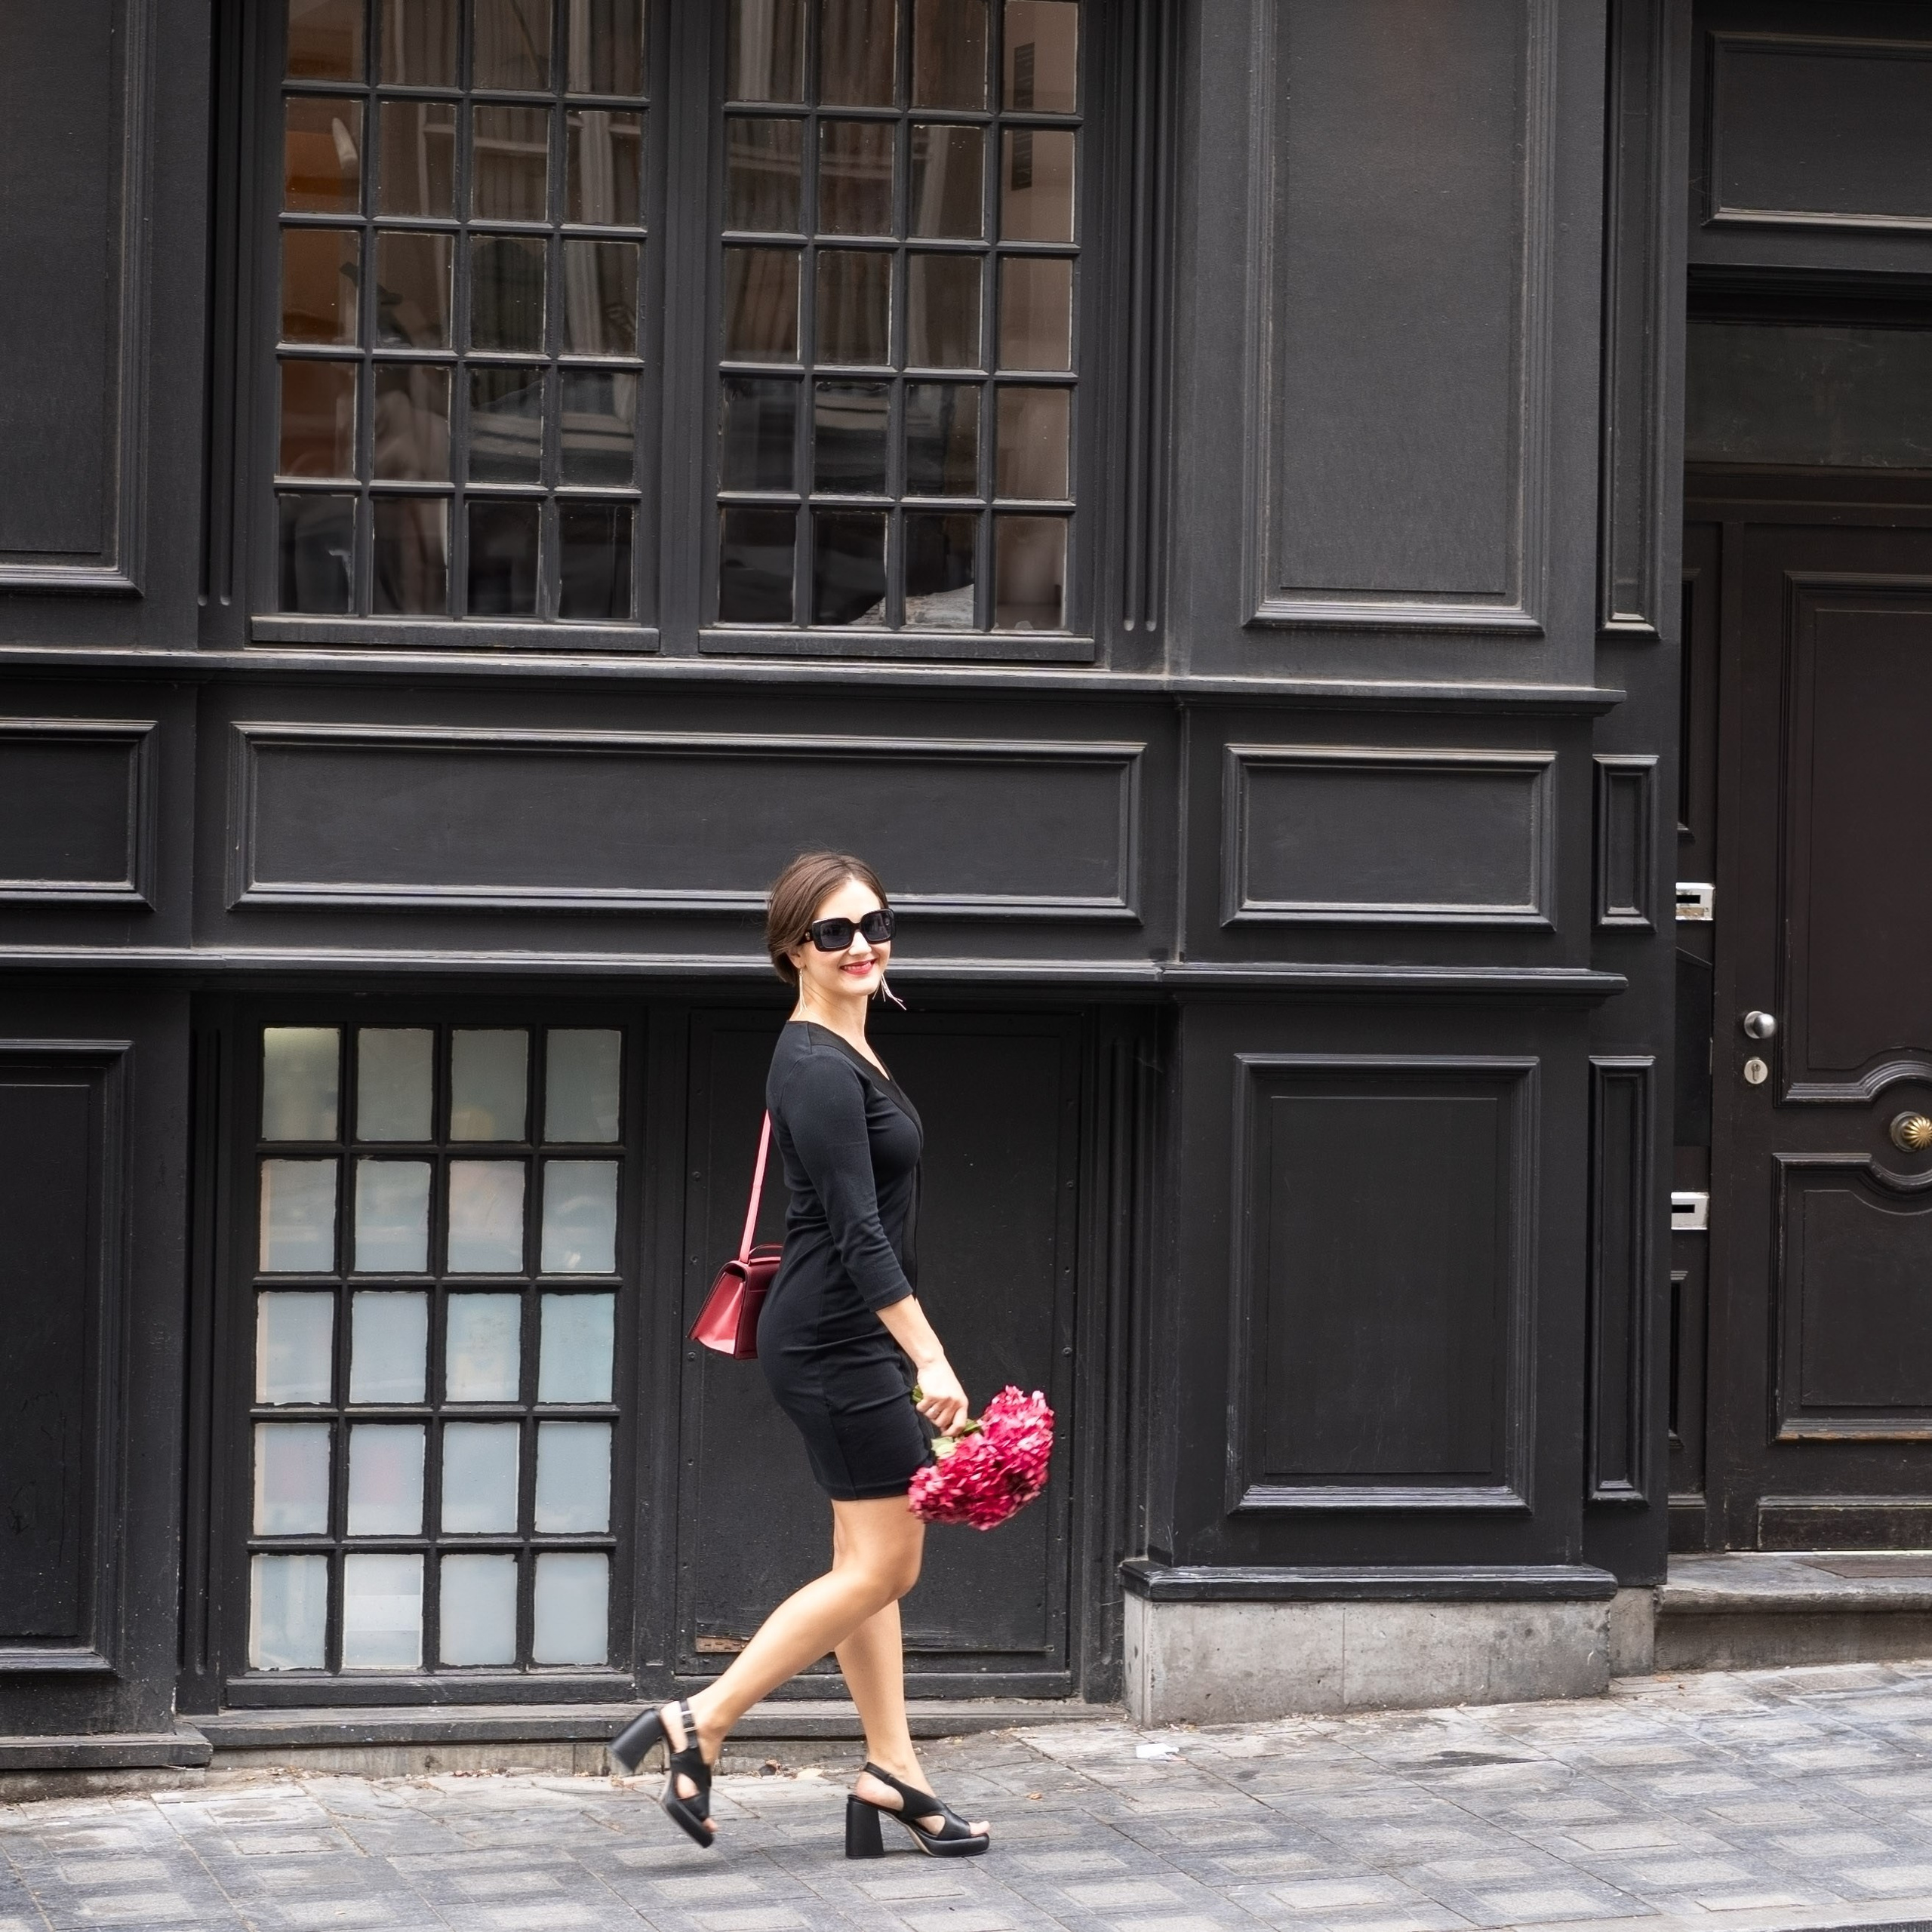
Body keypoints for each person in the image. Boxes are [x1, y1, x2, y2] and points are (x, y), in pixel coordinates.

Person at [611, 851, 992, 1860]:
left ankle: (895, 1772)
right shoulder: (817, 1064)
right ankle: (702, 1719)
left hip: (842, 1332)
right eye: (834, 932)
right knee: (891, 1563)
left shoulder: (842, 1044)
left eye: (874, 924)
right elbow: (860, 1235)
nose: (861, 945)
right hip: (836, 1338)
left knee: (860, 1563)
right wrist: (932, 1358)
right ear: (793, 949)